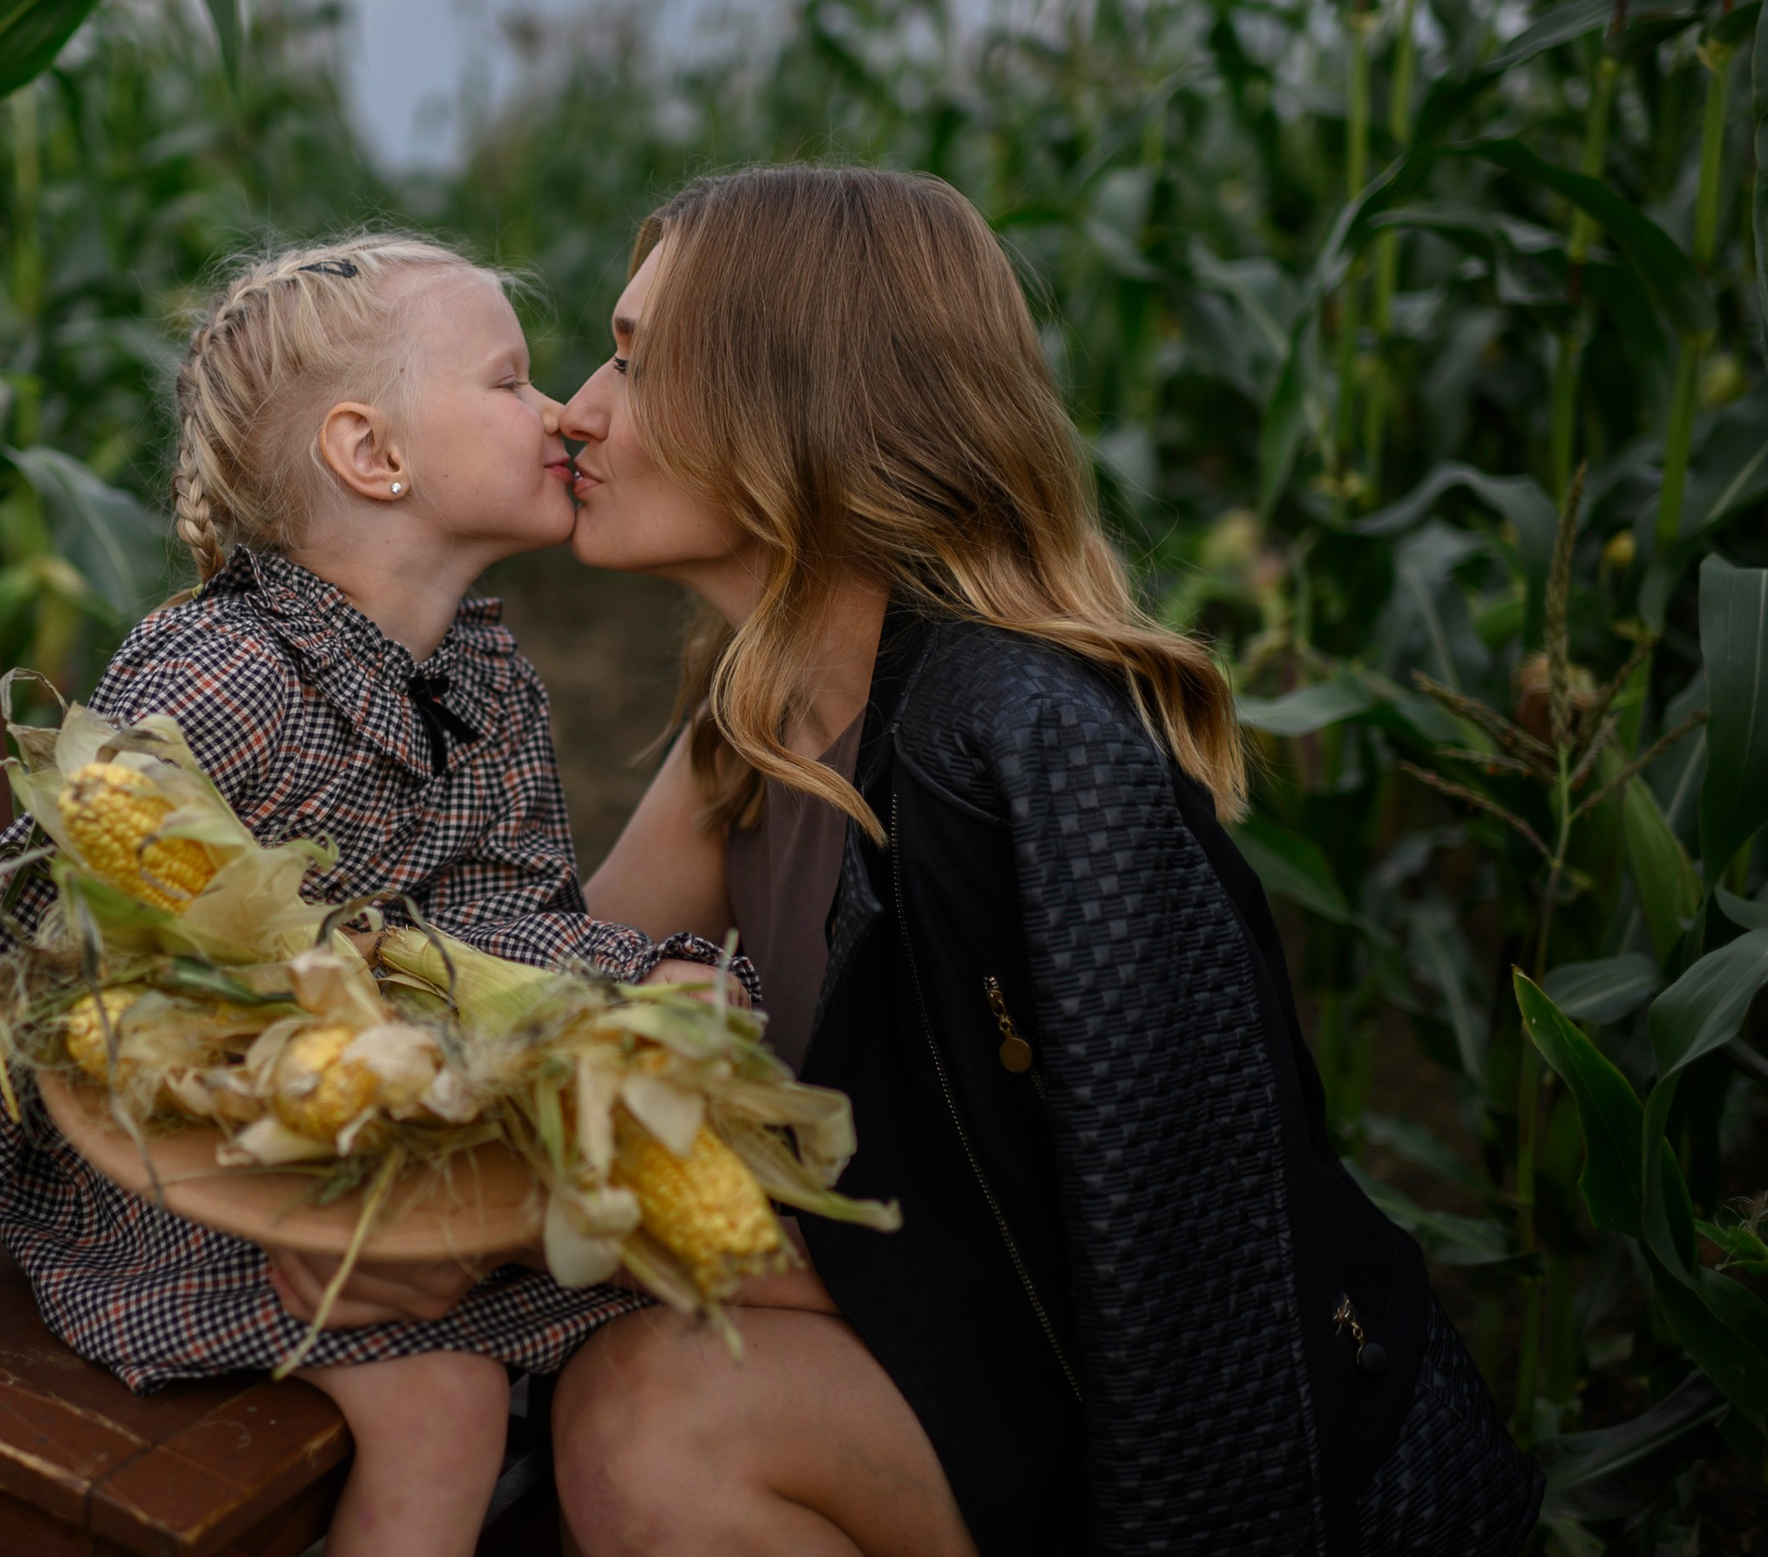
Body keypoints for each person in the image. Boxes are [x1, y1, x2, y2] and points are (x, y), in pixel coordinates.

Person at [0, 234, 741, 1557]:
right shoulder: (220, 683)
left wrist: (625, 986)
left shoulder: (482, 680)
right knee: (447, 1404)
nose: (562, 413)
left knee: (573, 1329)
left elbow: (497, 922)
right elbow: (7, 943)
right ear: (374, 456)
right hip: (168, 1174)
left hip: (329, 1134)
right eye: (511, 382)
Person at [547, 165, 1542, 1555]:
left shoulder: (1021, 755)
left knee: (648, 1422)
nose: (576, 407)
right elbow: (552, 995)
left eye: (639, 365)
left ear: (797, 404)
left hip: (1144, 1431)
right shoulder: (758, 716)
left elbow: (1196, 1275)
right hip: (957, 1330)